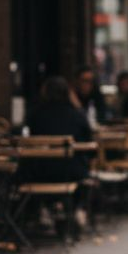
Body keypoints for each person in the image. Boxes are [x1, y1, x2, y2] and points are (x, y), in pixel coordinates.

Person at [25, 75, 93, 233]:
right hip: (72, 172)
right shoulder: (77, 114)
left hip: (41, 172)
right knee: (83, 171)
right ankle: (77, 209)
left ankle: (45, 209)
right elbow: (89, 142)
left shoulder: (36, 114)